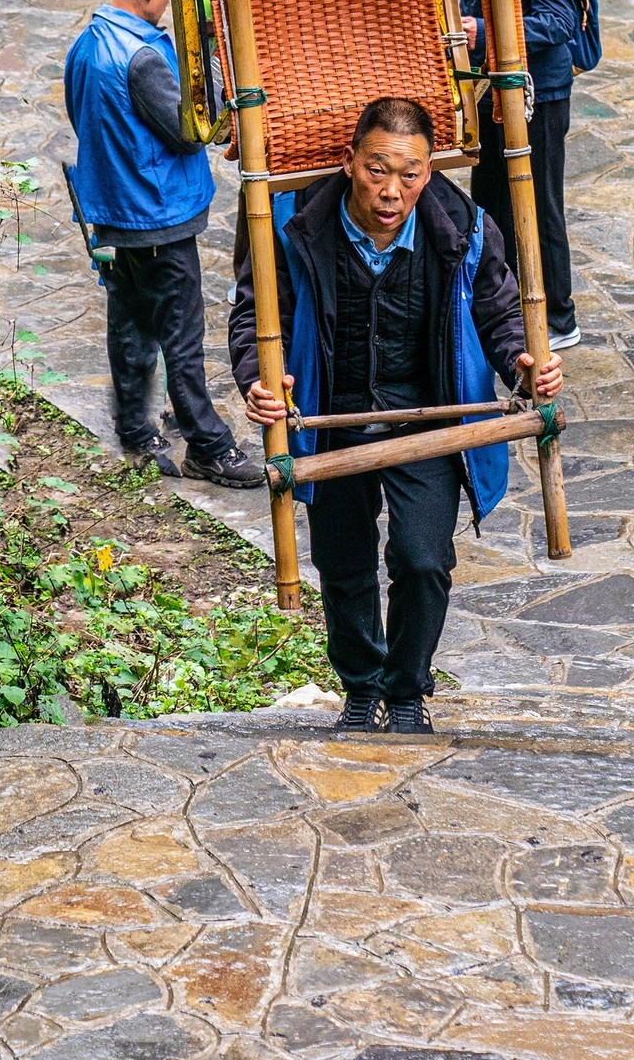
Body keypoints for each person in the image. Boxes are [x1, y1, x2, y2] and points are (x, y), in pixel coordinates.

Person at [232, 96, 563, 734]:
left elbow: (497, 311)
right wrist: (259, 380)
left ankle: (408, 689)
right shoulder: (288, 223)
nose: (391, 191)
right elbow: (254, 315)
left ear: (431, 170)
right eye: (377, 170)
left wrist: (524, 362)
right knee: (344, 560)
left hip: (428, 416)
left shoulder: (464, 226)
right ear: (348, 161)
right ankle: (361, 687)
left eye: (409, 175)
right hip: (333, 415)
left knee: (422, 558)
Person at [64, 0, 261, 488]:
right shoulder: (144, 57)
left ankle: (133, 427)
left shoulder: (87, 44)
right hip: (157, 215)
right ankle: (208, 443)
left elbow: (81, 117)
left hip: (115, 211)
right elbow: (186, 130)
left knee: (129, 320)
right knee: (181, 332)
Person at [461, 0, 601, 349]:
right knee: (491, 203)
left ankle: (559, 318)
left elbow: (559, 22)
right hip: (490, 85)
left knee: (539, 204)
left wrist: (483, 30)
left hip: (540, 91)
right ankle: (505, 307)